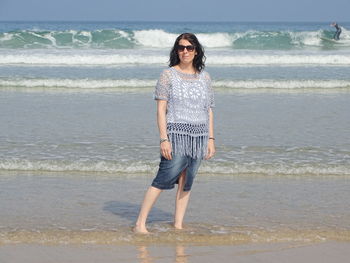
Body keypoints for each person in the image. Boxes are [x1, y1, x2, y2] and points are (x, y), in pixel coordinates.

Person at [134, 33, 215, 234]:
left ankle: (178, 225)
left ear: (196, 51)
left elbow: (209, 110)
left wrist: (211, 139)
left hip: (199, 137)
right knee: (164, 177)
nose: (185, 51)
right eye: (181, 47)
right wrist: (164, 139)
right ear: (176, 50)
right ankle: (140, 224)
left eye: (189, 47)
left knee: (187, 182)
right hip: (175, 136)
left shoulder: (205, 77)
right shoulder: (168, 75)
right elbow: (161, 110)